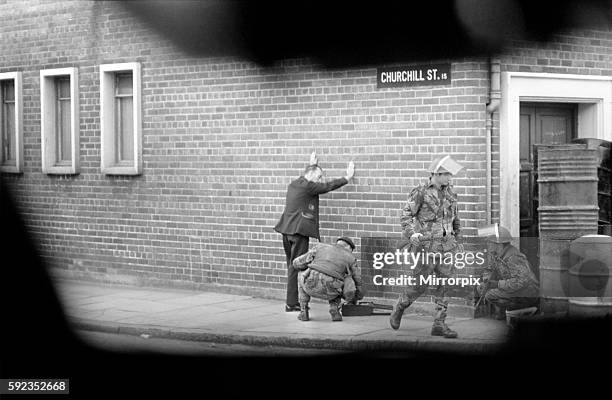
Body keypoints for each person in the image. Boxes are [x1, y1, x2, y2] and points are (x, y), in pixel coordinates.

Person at [389, 155, 464, 338]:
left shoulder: (451, 193)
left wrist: (458, 240)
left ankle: (439, 323)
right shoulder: (420, 192)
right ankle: (401, 306)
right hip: (426, 248)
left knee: (446, 285)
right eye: (446, 174)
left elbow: (455, 219)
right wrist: (411, 233)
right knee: (419, 286)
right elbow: (405, 215)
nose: (449, 178)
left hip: (447, 247)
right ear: (436, 174)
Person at [274, 151, 355, 312]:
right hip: (298, 232)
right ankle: (294, 303)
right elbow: (327, 186)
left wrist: (312, 163)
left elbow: (309, 174)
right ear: (311, 176)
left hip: (286, 231)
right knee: (298, 266)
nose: (319, 181)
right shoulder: (309, 186)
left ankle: (292, 302)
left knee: (292, 266)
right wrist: (347, 177)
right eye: (318, 177)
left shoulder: (296, 183)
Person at [292, 237, 363, 321]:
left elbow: (297, 262)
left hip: (310, 286)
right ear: (349, 248)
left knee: (301, 274)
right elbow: (357, 279)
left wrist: (305, 266)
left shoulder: (319, 247)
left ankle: (303, 311)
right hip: (332, 291)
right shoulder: (351, 257)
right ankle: (335, 308)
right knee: (342, 280)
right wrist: (357, 297)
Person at [477, 224, 539, 318]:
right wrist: (486, 280)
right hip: (513, 288)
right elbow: (489, 269)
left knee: (490, 295)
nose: (488, 244)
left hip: (528, 291)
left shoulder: (513, 257)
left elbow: (520, 282)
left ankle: (523, 309)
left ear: (499, 244)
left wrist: (497, 284)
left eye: (490, 242)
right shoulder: (495, 254)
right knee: (481, 288)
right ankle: (509, 311)